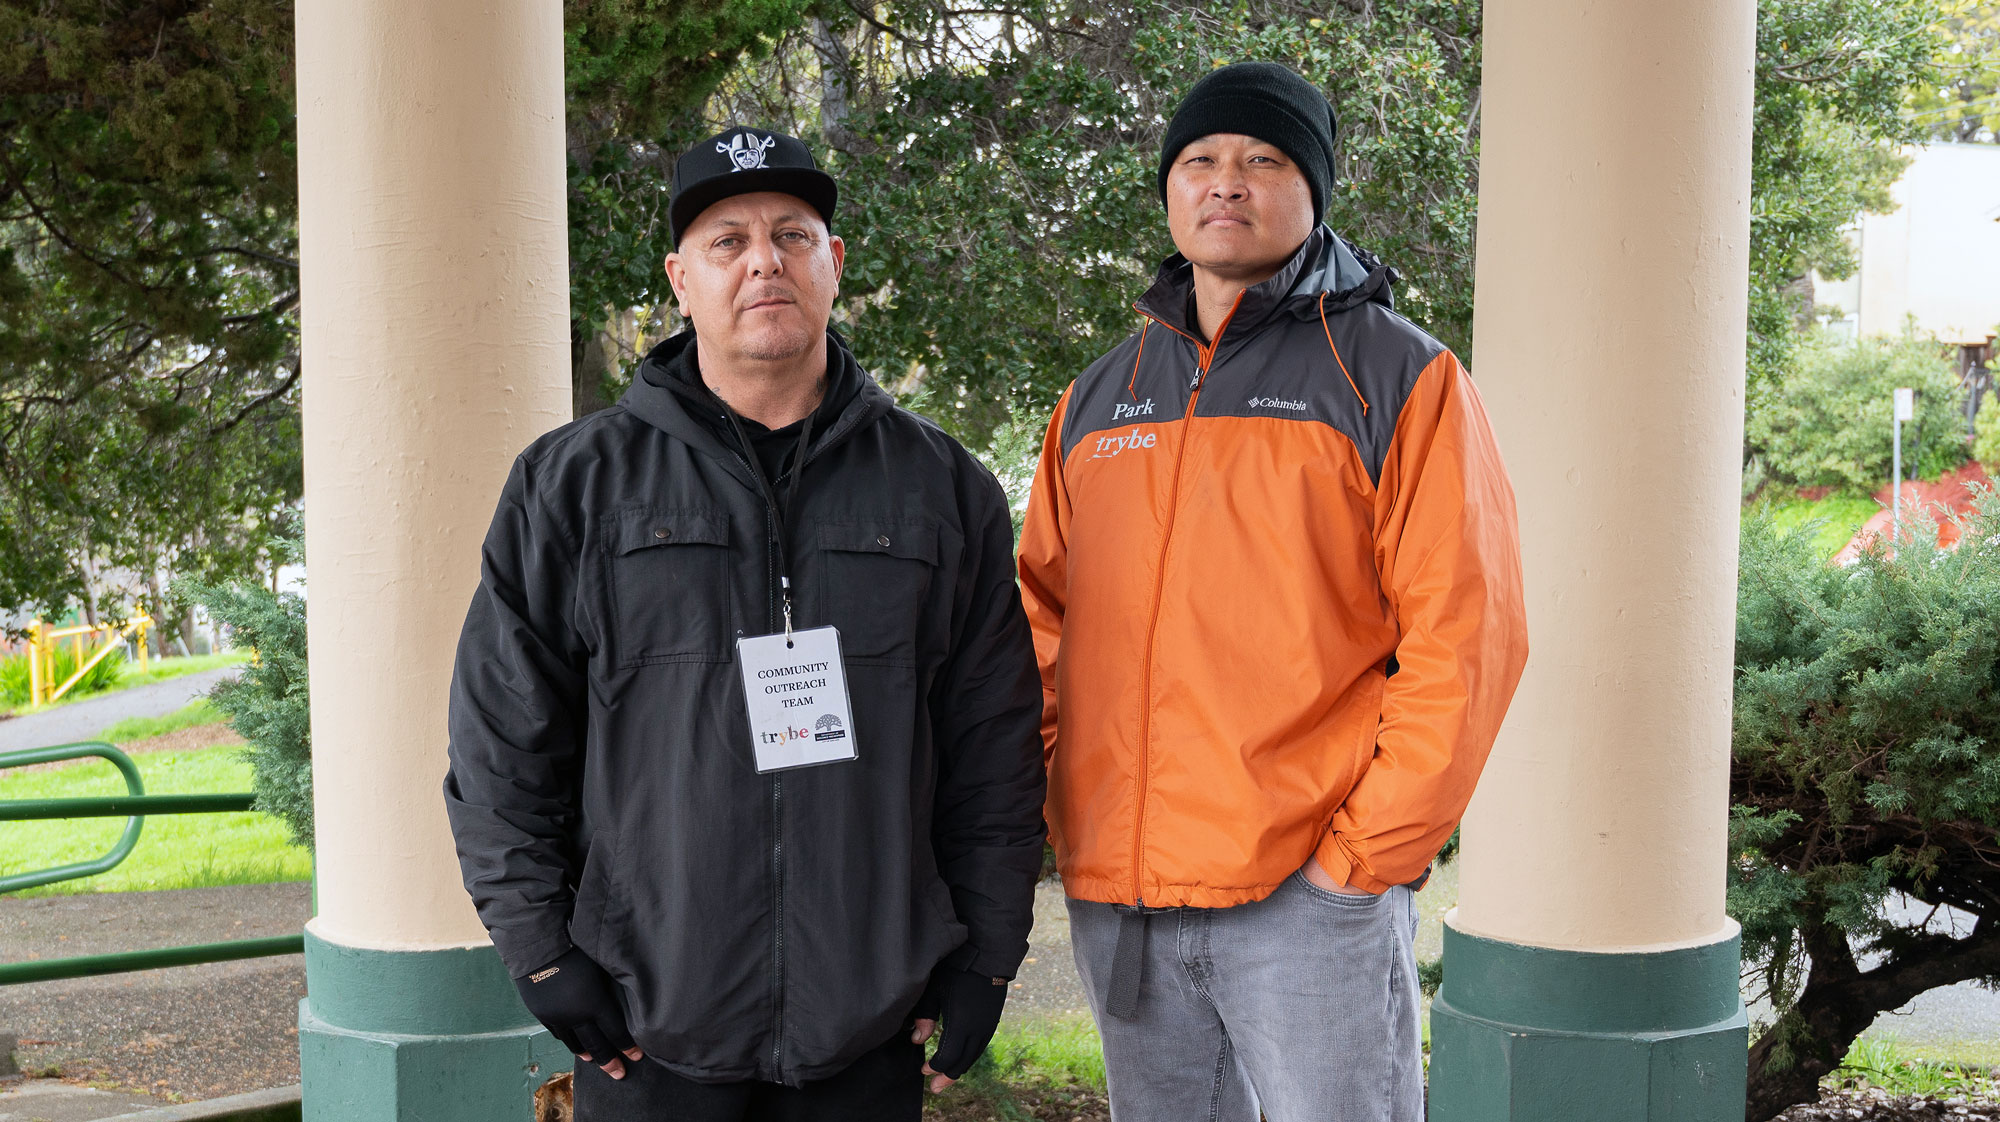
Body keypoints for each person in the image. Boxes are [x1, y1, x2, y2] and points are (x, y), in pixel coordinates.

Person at [444, 125, 1046, 1122]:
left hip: (868, 1023)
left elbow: (992, 743)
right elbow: (502, 739)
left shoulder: (941, 488)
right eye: (727, 241)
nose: (763, 260)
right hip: (647, 1021)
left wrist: (986, 955)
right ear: (680, 280)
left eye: (791, 234)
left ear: (833, 265)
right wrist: (542, 953)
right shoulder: (572, 485)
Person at [1017, 62, 1529, 1122]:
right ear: (1167, 189)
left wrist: (1362, 859)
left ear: (1312, 189)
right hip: (1124, 897)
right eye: (1198, 160)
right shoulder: (1096, 400)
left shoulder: (1398, 376)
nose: (1225, 182)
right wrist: (1063, 792)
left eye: (1262, 159)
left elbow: (1465, 637)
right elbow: (1040, 619)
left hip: (1308, 892)